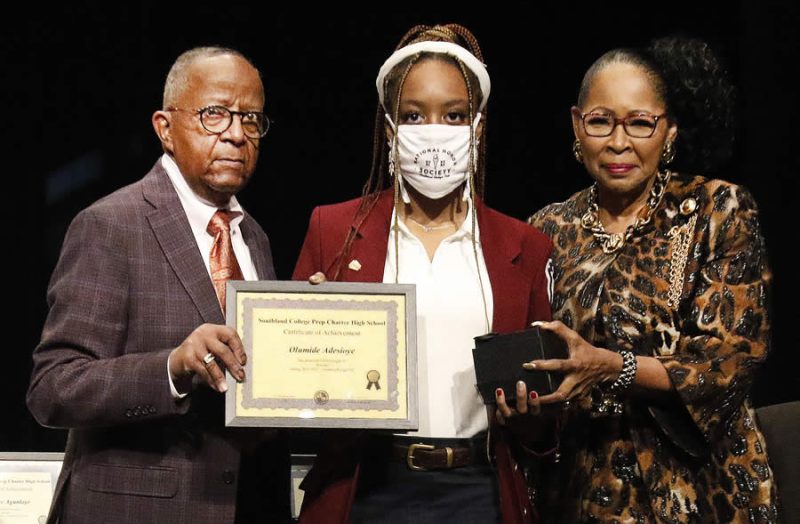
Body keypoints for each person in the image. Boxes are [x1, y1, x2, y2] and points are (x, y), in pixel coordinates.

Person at [497, 37, 779, 522]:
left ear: (669, 131)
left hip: (698, 491)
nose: (619, 142)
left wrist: (612, 366)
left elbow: (727, 361)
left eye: (640, 123)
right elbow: (536, 361)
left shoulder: (718, 210)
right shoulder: (546, 228)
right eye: (601, 121)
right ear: (576, 125)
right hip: (578, 492)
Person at [292, 24, 552, 524]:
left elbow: (547, 418)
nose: (435, 130)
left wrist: (533, 417)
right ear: (391, 129)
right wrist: (309, 336)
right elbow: (294, 394)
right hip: (366, 488)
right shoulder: (334, 229)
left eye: (454, 115)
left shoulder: (525, 246)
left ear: (477, 127)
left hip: (479, 491)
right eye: (414, 115)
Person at [27, 47, 290, 523]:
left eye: (251, 119)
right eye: (215, 114)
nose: (236, 134)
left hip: (249, 504)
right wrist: (172, 368)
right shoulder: (110, 225)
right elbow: (53, 387)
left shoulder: (254, 237)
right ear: (165, 128)